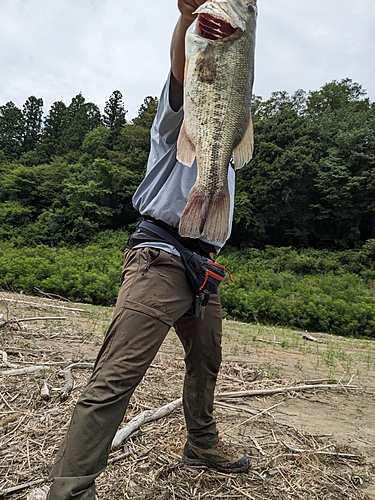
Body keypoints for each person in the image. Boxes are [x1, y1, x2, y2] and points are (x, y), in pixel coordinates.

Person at [46, 1, 250, 498]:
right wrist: (185, 21)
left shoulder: (228, 139)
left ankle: (200, 442)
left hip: (205, 267)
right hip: (158, 257)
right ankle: (70, 490)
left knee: (206, 362)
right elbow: (185, 74)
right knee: (115, 377)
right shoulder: (173, 124)